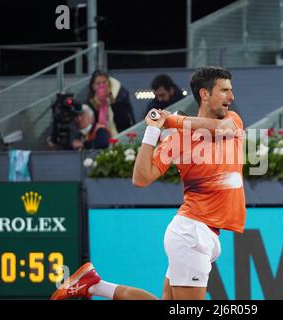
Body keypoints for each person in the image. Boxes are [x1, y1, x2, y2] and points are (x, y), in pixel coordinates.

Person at [50, 66, 246, 300]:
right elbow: (141, 178)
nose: (231, 97)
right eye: (224, 91)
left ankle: (94, 285)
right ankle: (92, 285)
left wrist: (170, 120)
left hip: (206, 235)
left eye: (230, 91)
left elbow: (222, 129)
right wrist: (152, 132)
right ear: (205, 94)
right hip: (192, 234)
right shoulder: (178, 140)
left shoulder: (232, 120)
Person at [87, 70, 136, 134]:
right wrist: (96, 106)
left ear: (109, 84)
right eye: (98, 83)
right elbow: (88, 128)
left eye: (104, 82)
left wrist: (113, 103)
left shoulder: (120, 97)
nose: (102, 86)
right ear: (93, 86)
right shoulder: (89, 104)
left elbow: (125, 123)